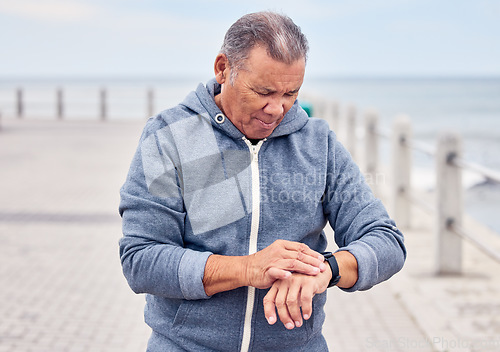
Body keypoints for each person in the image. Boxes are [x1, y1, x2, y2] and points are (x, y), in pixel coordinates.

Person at [119, 11, 406, 352]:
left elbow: (386, 241)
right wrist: (246, 269)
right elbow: (141, 259)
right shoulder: (169, 137)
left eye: (291, 94)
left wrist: (326, 270)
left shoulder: (318, 143)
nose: (277, 109)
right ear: (223, 68)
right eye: (264, 91)